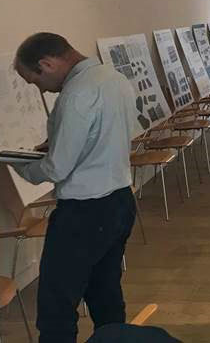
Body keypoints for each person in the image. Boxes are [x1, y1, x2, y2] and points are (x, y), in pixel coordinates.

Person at [12, 33, 138, 343]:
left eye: (35, 81)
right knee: (105, 292)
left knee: (56, 305)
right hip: (120, 200)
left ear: (47, 64)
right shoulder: (113, 78)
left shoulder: (76, 94)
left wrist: (19, 165)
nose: (41, 89)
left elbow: (57, 168)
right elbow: (102, 136)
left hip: (84, 212)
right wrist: (59, 142)